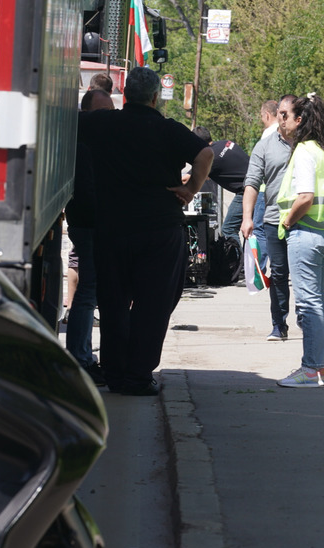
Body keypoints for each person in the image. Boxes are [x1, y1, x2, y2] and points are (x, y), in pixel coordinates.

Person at [80, 67, 213, 396]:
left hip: (112, 228)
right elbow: (206, 153)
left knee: (113, 302)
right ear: (155, 97)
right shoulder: (166, 129)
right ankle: (138, 376)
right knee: (152, 305)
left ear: (124, 96)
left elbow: (66, 122)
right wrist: (191, 190)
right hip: (158, 229)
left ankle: (114, 372)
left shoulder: (102, 123)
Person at [274, 93, 324, 388]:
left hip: (306, 233)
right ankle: (319, 368)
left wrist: (287, 221)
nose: (281, 119)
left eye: (286, 115)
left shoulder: (303, 152)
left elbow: (305, 197)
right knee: (319, 302)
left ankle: (310, 369)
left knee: (309, 303)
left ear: (300, 120)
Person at [64, 89, 114, 385]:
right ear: (88, 112)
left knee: (89, 290)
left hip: (88, 221)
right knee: (88, 291)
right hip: (89, 222)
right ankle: (79, 358)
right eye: (103, 111)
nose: (109, 117)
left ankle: (82, 355)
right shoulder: (86, 142)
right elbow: (88, 189)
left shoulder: (86, 138)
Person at [240, 94, 295, 341]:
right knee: (280, 272)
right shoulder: (264, 146)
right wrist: (247, 217)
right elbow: (252, 182)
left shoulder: (307, 143)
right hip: (274, 218)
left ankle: (306, 317)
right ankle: (279, 323)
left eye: (287, 114)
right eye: (280, 114)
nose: (282, 118)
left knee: (304, 273)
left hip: (305, 219)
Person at [192, 126, 250, 244]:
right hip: (257, 184)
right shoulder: (225, 143)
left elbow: (188, 178)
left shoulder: (211, 157)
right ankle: (247, 260)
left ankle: (235, 260)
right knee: (250, 230)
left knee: (228, 228)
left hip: (247, 191)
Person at [251, 99, 279, 270]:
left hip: (264, 189)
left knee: (259, 229)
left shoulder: (268, 134)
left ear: (267, 115)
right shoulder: (286, 132)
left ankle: (258, 269)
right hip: (279, 190)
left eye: (262, 117)